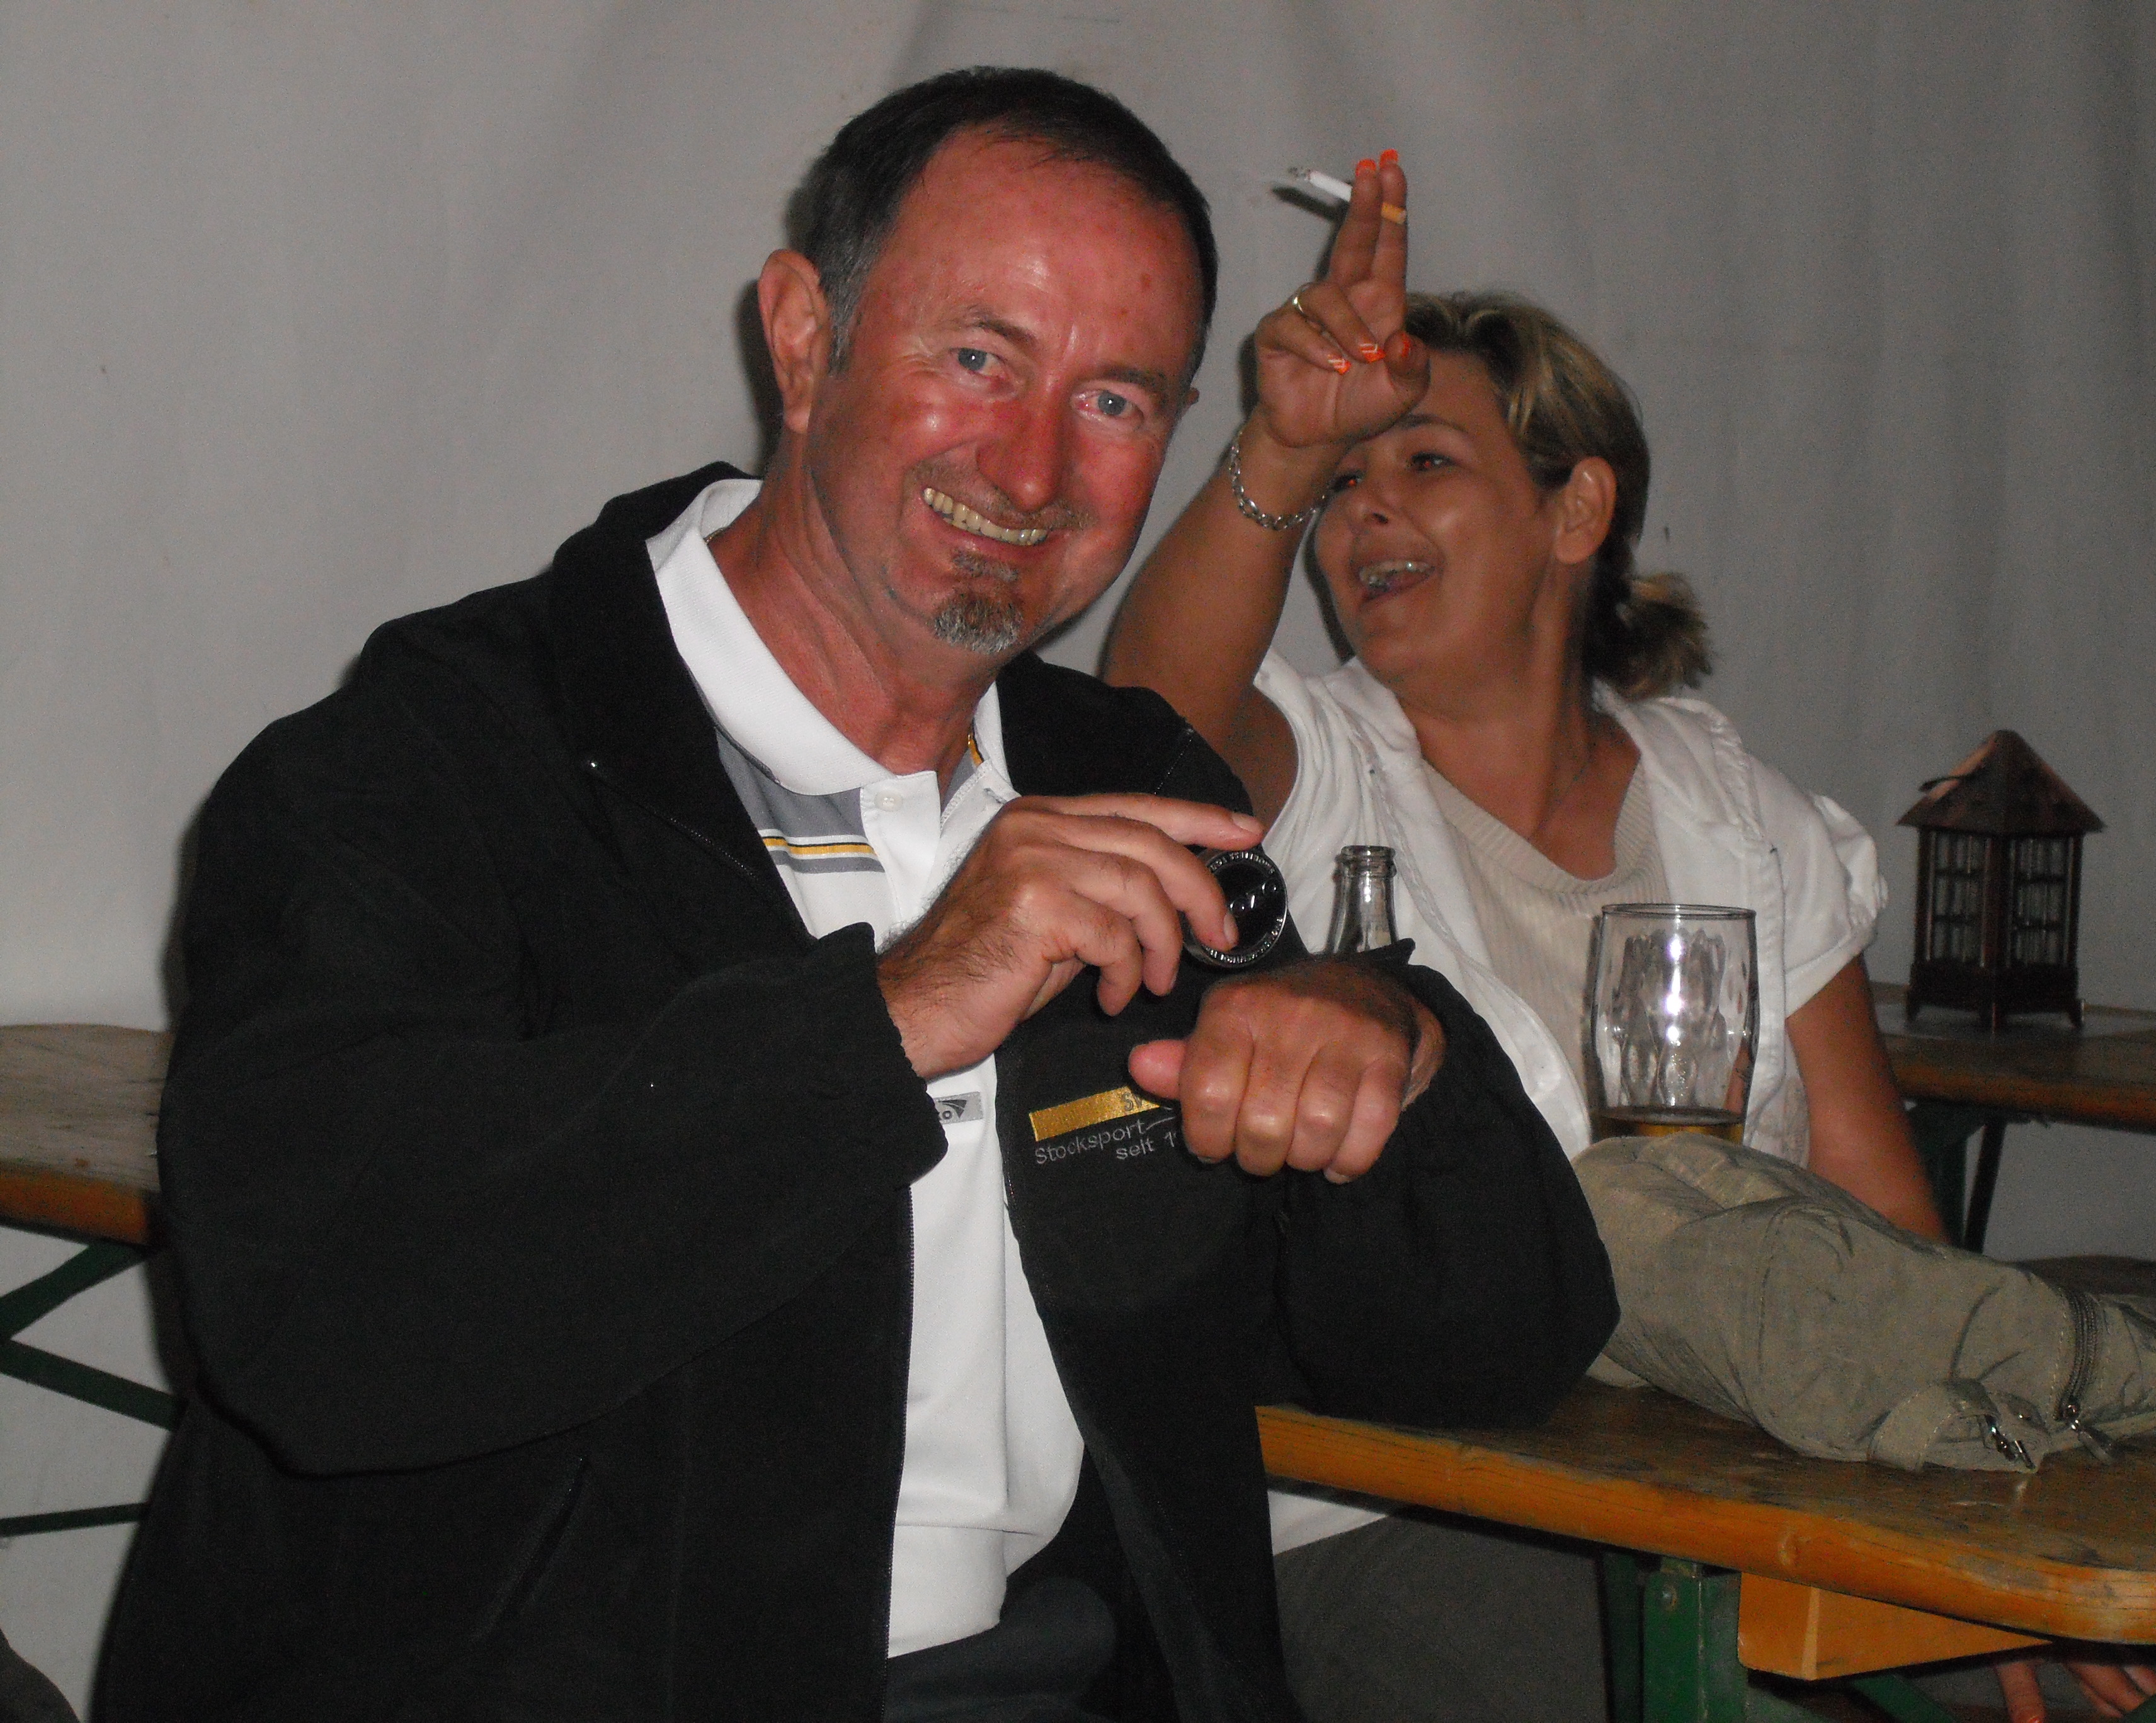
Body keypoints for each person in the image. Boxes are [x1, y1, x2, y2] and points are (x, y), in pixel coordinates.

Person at [98, 76, 1614, 1721]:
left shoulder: (1124, 782)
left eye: (1114, 399)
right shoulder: (431, 767)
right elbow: (318, 1323)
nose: (1032, 467)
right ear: (804, 339)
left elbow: (1470, 1355)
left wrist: (1391, 1056)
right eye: (978, 360)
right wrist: (887, 1020)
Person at [1104, 157, 2156, 1723]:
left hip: (1757, 1471)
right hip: (1411, 1511)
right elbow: (1147, 726)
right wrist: (1279, 445)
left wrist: (1979, 1530)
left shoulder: (1741, 810)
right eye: (1343, 483)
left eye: (1424, 460)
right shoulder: (1316, 767)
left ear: (1578, 508)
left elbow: (1890, 1224)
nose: (1365, 508)